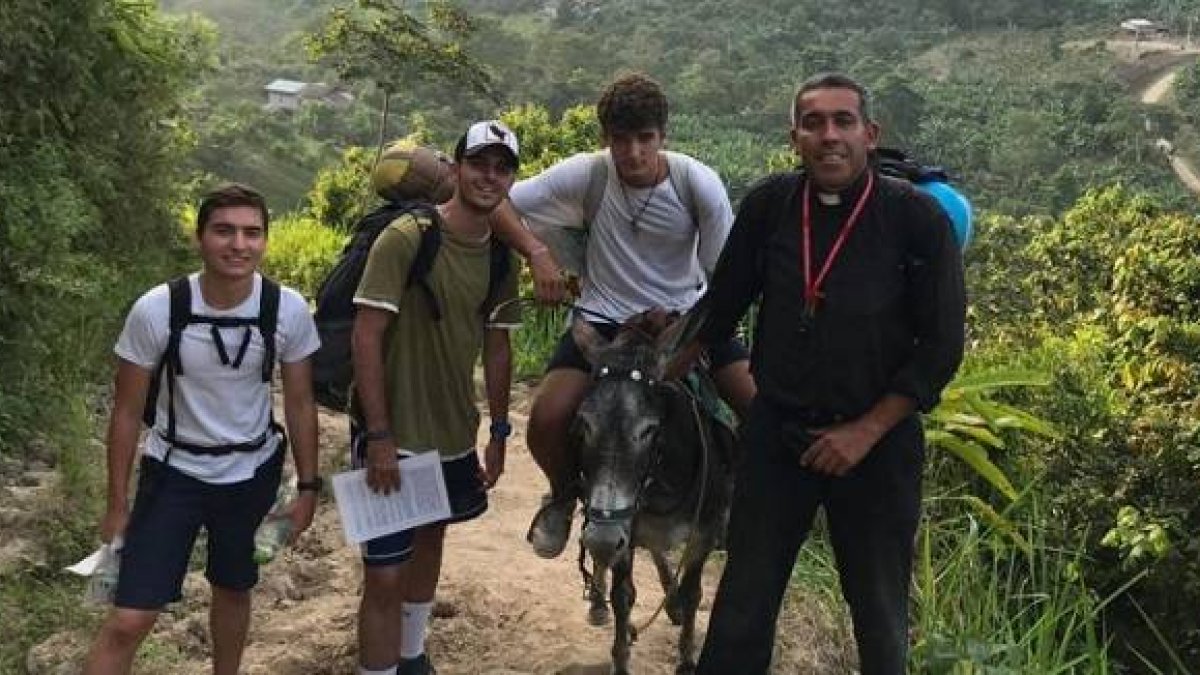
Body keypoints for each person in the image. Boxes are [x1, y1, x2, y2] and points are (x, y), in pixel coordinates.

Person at [691, 73, 967, 674]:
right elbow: (721, 307)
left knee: (878, 611)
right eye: (813, 123)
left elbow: (942, 346)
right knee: (744, 604)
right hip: (778, 433)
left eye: (843, 121)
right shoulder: (770, 206)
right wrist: (660, 355)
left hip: (878, 446)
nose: (829, 136)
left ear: (870, 135)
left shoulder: (916, 219)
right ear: (794, 137)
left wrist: (865, 432)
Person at [488, 71, 757, 559]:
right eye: (620, 139)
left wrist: (684, 321)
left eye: (644, 138)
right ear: (604, 139)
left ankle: (738, 504)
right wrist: (536, 252)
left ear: (663, 136)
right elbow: (498, 199)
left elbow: (725, 277)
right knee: (547, 418)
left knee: (758, 408)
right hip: (604, 320)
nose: (632, 152)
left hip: (688, 317)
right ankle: (565, 495)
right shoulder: (588, 174)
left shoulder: (697, 184)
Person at [83, 183, 322, 675]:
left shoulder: (287, 309)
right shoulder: (156, 309)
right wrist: (116, 504)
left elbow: (300, 402)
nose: (239, 244)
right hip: (173, 474)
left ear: (265, 241)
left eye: (252, 233)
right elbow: (126, 412)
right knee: (130, 617)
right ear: (200, 238)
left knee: (234, 588)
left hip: (251, 472)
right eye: (224, 231)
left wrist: (308, 488)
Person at [351, 120, 522, 675]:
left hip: (453, 434)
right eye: (479, 163)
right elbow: (366, 334)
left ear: (511, 180)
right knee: (382, 572)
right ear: (455, 169)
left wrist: (498, 433)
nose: (488, 176)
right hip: (392, 436)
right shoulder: (407, 237)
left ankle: (412, 654)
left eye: (502, 167)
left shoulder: (501, 258)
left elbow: (498, 349)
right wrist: (378, 435)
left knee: (430, 540)